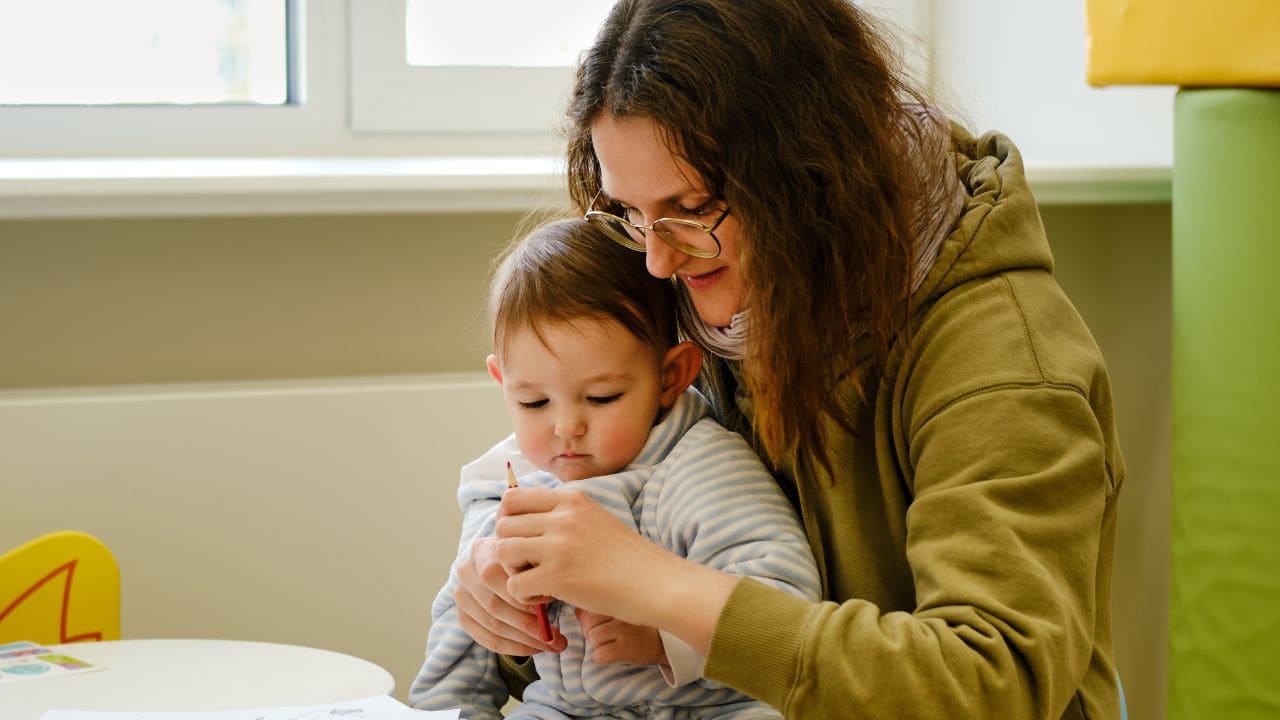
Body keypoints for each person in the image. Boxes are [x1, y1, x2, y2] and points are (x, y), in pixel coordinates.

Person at [449, 1, 1126, 719]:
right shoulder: (707, 300)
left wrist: (659, 585)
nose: (656, 257)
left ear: (807, 174)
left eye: (689, 205)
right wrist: (509, 603)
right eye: (632, 213)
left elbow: (994, 682)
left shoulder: (1004, 358)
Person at [410, 218, 821, 719]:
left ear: (670, 377)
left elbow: (785, 594)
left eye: (602, 397)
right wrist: (447, 709)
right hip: (565, 709)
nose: (566, 428)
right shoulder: (504, 484)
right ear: (503, 381)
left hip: (707, 708)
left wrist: (664, 636)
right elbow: (462, 634)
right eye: (534, 402)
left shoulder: (701, 466)